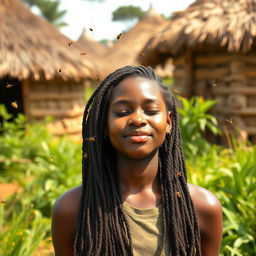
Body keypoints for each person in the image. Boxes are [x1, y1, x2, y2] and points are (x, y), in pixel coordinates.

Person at [51, 66, 222, 256]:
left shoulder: (202, 207)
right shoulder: (72, 209)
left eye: (151, 110)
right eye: (122, 111)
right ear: (104, 124)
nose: (138, 119)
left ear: (168, 122)